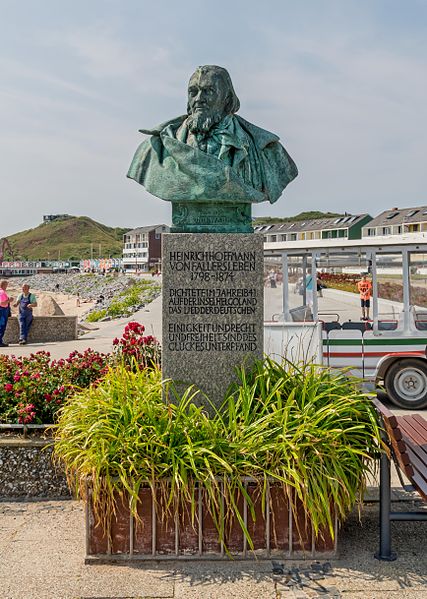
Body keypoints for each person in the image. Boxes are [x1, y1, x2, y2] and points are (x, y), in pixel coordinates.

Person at [127, 65, 298, 228]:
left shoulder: (267, 150)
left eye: (209, 91)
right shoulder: (154, 150)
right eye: (193, 92)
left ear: (227, 99)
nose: (199, 99)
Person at [0, 279, 11, 347]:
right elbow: (2, 303)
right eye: (6, 285)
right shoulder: (2, 292)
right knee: (2, 326)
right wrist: (9, 300)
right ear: (4, 285)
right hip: (2, 311)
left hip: (3, 310)